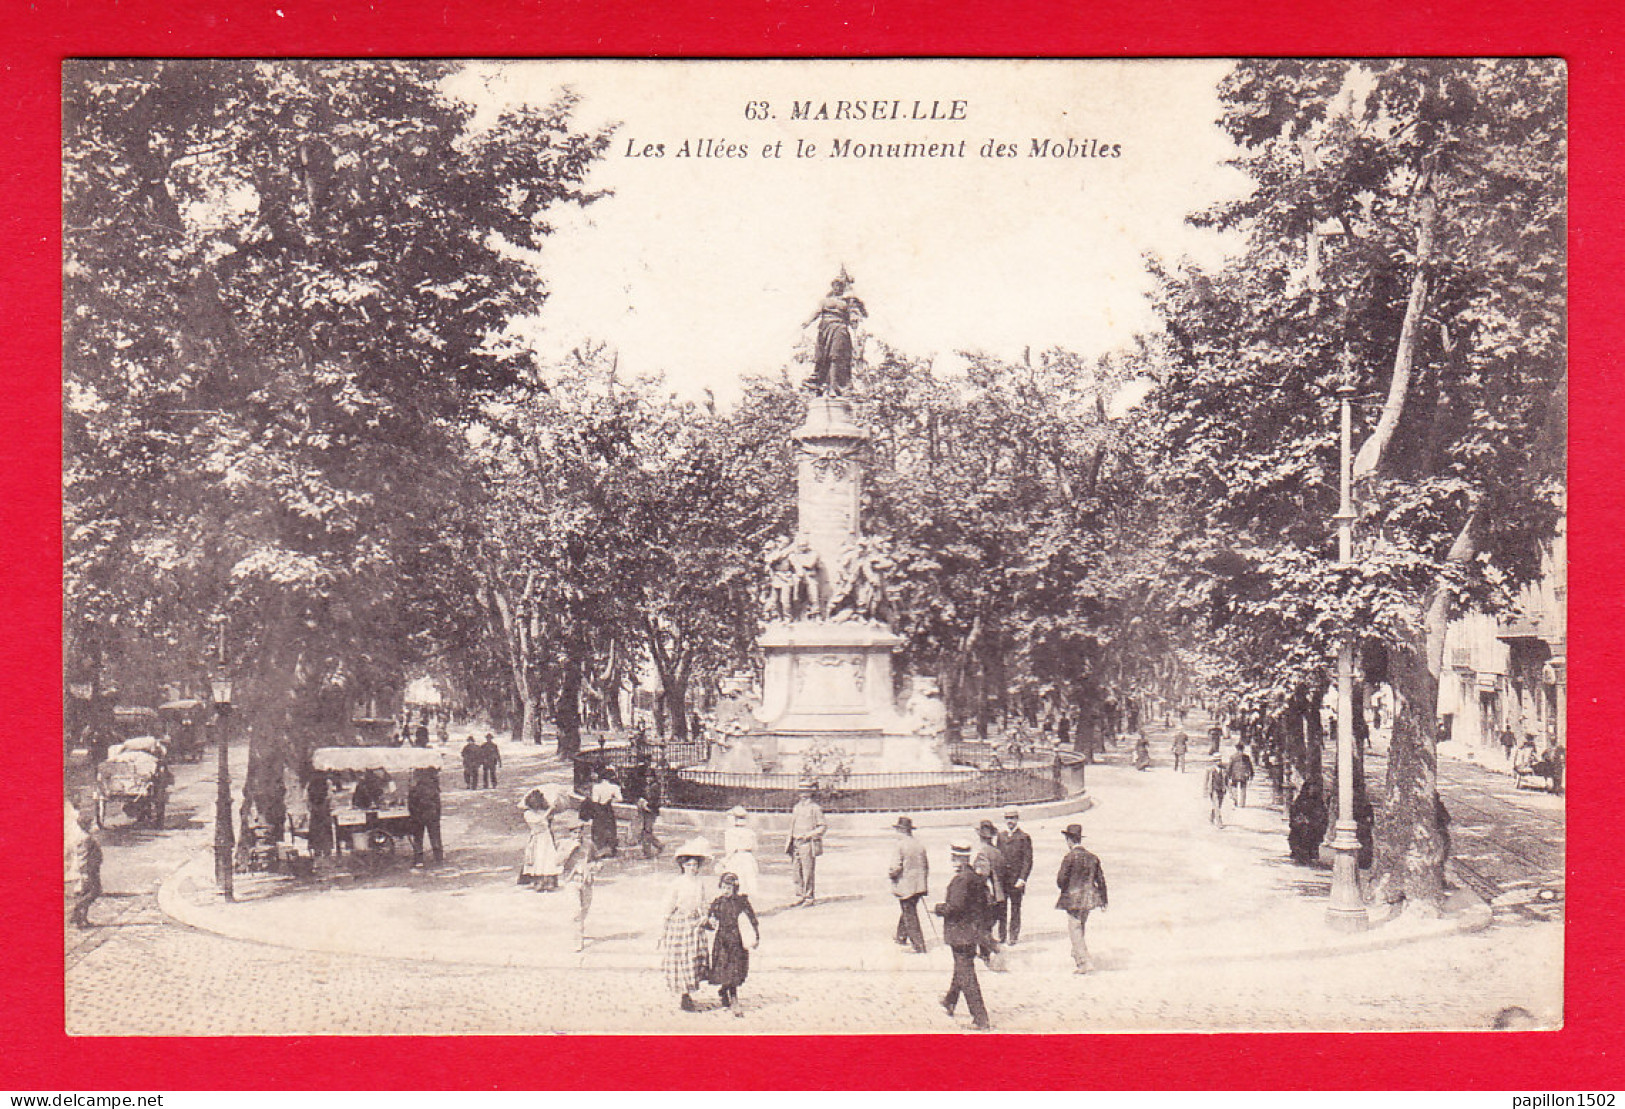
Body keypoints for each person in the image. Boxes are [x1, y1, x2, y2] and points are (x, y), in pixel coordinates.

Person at [934, 842, 991, 1030]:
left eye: (953, 857)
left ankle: (980, 1018)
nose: (952, 860)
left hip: (960, 933)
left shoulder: (961, 880)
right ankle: (950, 1001)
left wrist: (940, 908)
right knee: (962, 967)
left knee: (966, 973)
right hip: (972, 932)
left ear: (960, 858)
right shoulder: (976, 878)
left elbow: (955, 907)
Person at [658, 838, 713, 1012]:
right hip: (679, 923)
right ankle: (684, 995)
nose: (692, 868)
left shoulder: (700, 883)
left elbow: (704, 902)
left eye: (695, 865)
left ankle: (689, 991)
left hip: (694, 924)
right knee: (681, 959)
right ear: (682, 866)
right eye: (689, 865)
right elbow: (668, 906)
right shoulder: (677, 883)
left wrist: (705, 917)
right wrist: (663, 929)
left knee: (693, 958)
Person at [1055, 823, 1108, 974]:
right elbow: (1101, 880)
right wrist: (1104, 900)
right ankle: (1078, 954)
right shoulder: (1093, 857)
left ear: (1069, 840)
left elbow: (1060, 880)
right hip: (1090, 899)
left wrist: (1065, 889)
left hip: (1073, 899)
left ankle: (1084, 961)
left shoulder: (1070, 857)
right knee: (1080, 926)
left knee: (1075, 928)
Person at [706, 871, 760, 1016]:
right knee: (726, 969)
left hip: (738, 941)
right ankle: (731, 996)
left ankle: (728, 993)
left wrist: (755, 937)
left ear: (735, 888)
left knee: (736, 969)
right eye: (723, 887)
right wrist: (710, 922)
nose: (726, 890)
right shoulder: (717, 903)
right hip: (722, 941)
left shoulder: (741, 902)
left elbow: (752, 919)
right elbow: (710, 922)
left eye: (729, 888)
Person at [803, 273, 867, 395]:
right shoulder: (825, 301)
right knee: (822, 356)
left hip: (840, 329)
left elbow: (857, 314)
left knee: (836, 356)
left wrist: (855, 313)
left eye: (841, 286)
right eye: (836, 285)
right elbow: (817, 312)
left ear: (843, 288)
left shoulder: (847, 302)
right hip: (825, 329)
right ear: (833, 286)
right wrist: (807, 322)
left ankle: (835, 387)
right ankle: (820, 382)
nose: (838, 288)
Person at [888, 815, 930, 954]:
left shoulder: (900, 845)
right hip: (919, 885)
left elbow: (895, 867)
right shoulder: (919, 844)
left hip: (906, 885)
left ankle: (919, 945)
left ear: (901, 830)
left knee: (909, 913)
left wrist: (891, 875)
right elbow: (926, 865)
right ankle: (901, 936)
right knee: (908, 909)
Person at [556, 814, 596, 952]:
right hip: (571, 881)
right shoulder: (564, 844)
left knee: (585, 908)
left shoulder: (589, 844)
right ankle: (577, 940)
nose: (578, 835)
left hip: (586, 880)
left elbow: (595, 859)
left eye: (580, 832)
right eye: (574, 832)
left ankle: (580, 929)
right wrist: (570, 849)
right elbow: (557, 861)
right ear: (570, 833)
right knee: (576, 911)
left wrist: (596, 866)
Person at [995, 807, 1033, 945]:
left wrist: (1022, 879)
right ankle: (1002, 935)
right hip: (1003, 880)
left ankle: (1013, 936)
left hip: (1016, 880)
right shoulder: (1001, 836)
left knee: (1015, 908)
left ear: (1017, 819)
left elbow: (1027, 861)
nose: (1010, 821)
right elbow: (997, 856)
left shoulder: (1023, 837)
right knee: (1001, 908)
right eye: (1007, 818)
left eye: (1012, 818)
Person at [972, 820, 1006, 966]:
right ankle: (985, 953)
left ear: (980, 836)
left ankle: (992, 951)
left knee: (980, 927)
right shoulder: (997, 851)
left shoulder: (983, 852)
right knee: (987, 926)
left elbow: (982, 876)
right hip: (999, 896)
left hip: (987, 897)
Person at [786, 785, 827, 905]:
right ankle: (799, 895)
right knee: (796, 871)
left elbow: (823, 827)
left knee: (807, 871)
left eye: (805, 792)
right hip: (795, 843)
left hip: (807, 843)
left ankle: (809, 897)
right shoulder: (796, 807)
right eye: (801, 791)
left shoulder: (815, 808)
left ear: (810, 793)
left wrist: (808, 835)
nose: (802, 794)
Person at [67, 803, 103, 930]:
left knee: (87, 893)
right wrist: (85, 872)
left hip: (91, 869)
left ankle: (82, 919)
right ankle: (76, 912)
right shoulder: (86, 838)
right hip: (88, 871)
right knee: (94, 892)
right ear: (86, 825)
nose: (92, 825)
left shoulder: (85, 837)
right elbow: (84, 857)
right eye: (90, 823)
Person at [519, 789, 561, 890]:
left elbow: (547, 820)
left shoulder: (542, 811)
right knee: (538, 858)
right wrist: (549, 811)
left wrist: (552, 809)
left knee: (548, 858)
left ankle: (549, 881)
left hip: (546, 837)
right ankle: (539, 881)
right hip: (537, 837)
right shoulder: (528, 814)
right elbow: (538, 820)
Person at [720, 805, 761, 899]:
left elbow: (730, 850)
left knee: (735, 882)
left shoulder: (730, 832)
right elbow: (755, 848)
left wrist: (724, 861)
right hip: (748, 859)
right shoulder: (750, 832)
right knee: (747, 883)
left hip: (736, 858)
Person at [407, 766, 443, 866]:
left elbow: (411, 803)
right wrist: (437, 816)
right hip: (432, 816)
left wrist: (412, 815)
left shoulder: (414, 789)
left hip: (418, 816)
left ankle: (419, 859)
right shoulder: (433, 788)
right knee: (435, 837)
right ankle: (438, 858)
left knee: (418, 838)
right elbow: (437, 804)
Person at [590, 770, 624, 858]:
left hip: (599, 809)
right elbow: (620, 798)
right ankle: (610, 848)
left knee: (598, 828)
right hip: (608, 809)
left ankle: (599, 849)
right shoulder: (614, 787)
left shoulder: (596, 787)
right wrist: (610, 800)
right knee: (610, 827)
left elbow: (595, 800)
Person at [634, 778, 665, 859]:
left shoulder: (655, 786)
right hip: (646, 810)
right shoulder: (647, 785)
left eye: (650, 776)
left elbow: (654, 800)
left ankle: (647, 852)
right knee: (646, 831)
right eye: (647, 776)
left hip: (651, 811)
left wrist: (647, 805)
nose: (648, 778)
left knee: (647, 831)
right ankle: (658, 845)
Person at [306, 773, 334, 860]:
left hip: (315, 810)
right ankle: (325, 850)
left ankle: (319, 850)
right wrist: (325, 807)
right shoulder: (327, 782)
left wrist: (312, 807)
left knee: (317, 830)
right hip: (323, 810)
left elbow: (306, 799)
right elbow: (330, 797)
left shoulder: (310, 783)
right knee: (323, 830)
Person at [1204, 753, 1229, 827]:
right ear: (1213, 761)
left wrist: (1228, 789)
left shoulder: (1224, 769)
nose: (1217, 762)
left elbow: (1227, 780)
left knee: (1218, 805)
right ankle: (1219, 822)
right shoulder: (1209, 770)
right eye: (1216, 761)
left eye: (1219, 760)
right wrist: (1205, 790)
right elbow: (1206, 780)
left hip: (1221, 789)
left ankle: (1212, 816)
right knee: (1217, 805)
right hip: (1213, 789)